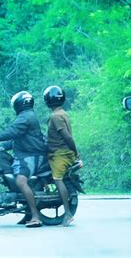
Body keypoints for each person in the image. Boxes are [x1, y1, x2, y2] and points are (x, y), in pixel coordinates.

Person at [0, 91, 47, 228]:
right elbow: (14, 140)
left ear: (19, 104)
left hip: (32, 155)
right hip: (25, 154)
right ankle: (28, 214)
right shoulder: (26, 116)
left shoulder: (26, 117)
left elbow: (12, 132)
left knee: (20, 181)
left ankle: (35, 216)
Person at [43, 85, 78, 227]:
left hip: (60, 154)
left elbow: (67, 137)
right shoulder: (62, 113)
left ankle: (68, 214)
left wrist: (75, 151)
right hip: (60, 152)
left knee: (58, 179)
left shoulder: (55, 116)